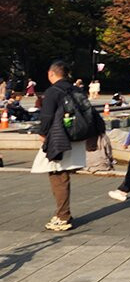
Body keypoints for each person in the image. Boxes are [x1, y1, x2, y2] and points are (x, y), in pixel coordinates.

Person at [30, 61, 88, 231]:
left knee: (58, 175)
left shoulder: (53, 91)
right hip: (76, 137)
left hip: (58, 138)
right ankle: (62, 213)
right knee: (61, 174)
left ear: (51, 74)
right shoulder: (76, 89)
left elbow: (47, 117)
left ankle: (63, 216)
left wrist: (42, 133)